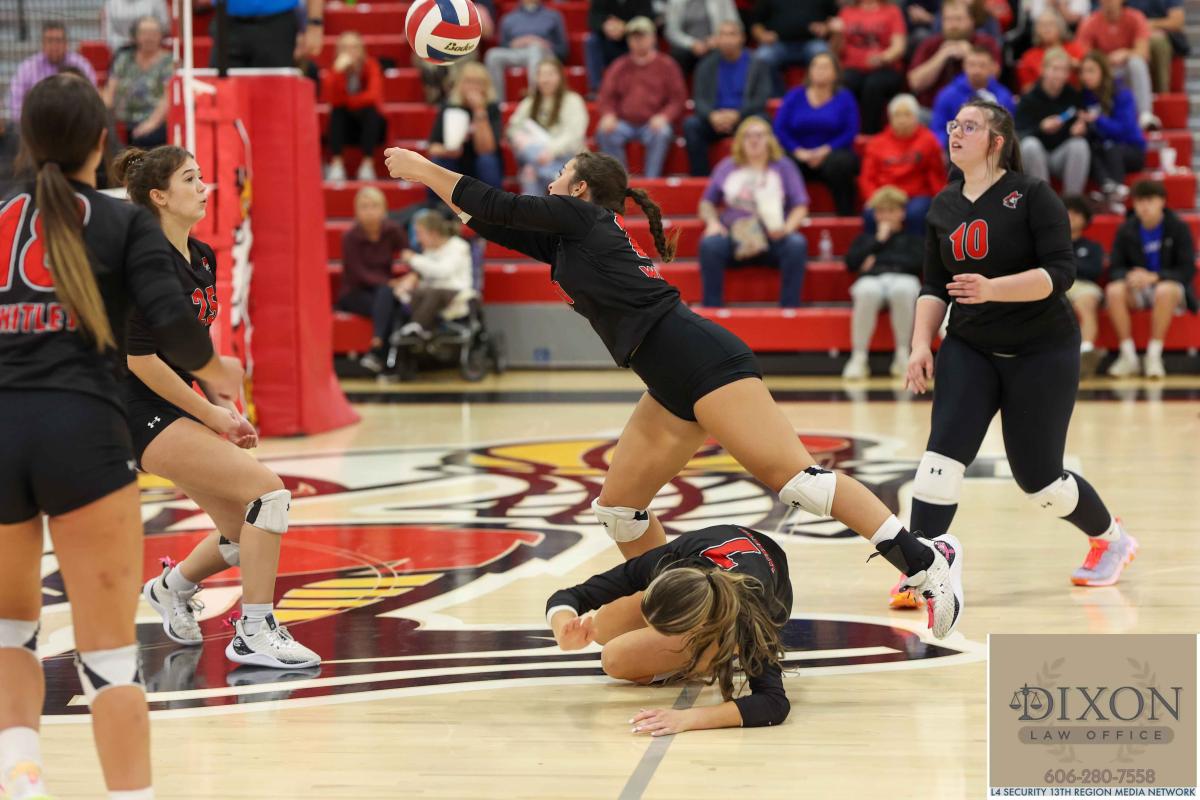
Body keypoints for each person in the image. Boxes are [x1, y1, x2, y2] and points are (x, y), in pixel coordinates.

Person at [385, 145, 964, 640]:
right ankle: (684, 615)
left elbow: (501, 205)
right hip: (665, 378)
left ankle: (925, 559)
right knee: (619, 512)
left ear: (579, 188)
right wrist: (435, 185)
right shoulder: (570, 239)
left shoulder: (581, 218)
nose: (551, 182)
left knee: (799, 482)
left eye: (560, 174)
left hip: (701, 359)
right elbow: (488, 220)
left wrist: (423, 167)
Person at [0, 74, 238, 800]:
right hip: (83, 437)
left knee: (9, 635)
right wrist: (217, 373)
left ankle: (21, 777)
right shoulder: (122, 222)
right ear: (102, 143)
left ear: (25, 140)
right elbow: (173, 326)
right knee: (106, 658)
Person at [895, 98, 1135, 611]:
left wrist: (992, 289)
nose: (956, 133)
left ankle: (1112, 539)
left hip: (1041, 349)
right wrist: (919, 345)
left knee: (1040, 480)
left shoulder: (1032, 195)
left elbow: (1061, 274)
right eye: (954, 125)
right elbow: (934, 286)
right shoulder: (943, 205)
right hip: (970, 346)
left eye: (970, 126)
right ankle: (923, 567)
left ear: (997, 141)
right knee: (940, 459)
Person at [111, 145, 321, 670]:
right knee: (268, 495)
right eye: (190, 179)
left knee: (242, 528)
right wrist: (210, 416)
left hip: (175, 401)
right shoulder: (140, 264)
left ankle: (171, 587)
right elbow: (140, 361)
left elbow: (191, 351)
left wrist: (223, 403)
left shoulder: (201, 256)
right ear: (159, 196)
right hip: (135, 407)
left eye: (201, 176)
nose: (204, 187)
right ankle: (254, 630)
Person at [547, 524, 792, 733]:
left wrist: (688, 718)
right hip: (721, 554)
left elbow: (773, 703)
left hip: (748, 601)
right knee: (603, 626)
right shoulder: (669, 559)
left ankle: (711, 657)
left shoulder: (752, 616)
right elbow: (574, 595)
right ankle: (689, 653)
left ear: (699, 626)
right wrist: (564, 628)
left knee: (615, 659)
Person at [697, 117, 809, 308]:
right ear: (740, 141)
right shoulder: (727, 166)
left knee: (796, 244)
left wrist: (786, 229)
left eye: (759, 135)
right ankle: (712, 310)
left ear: (769, 139)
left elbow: (800, 205)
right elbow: (706, 203)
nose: (754, 140)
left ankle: (790, 310)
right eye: (748, 136)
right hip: (735, 235)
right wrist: (713, 223)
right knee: (709, 245)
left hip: (772, 236)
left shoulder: (784, 166)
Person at [1104, 179, 1197, 378]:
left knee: (1165, 290)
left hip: (1169, 289)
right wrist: (1129, 275)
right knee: (1114, 290)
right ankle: (1128, 356)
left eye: (1150, 200)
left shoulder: (1178, 227)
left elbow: (1187, 270)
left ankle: (1154, 356)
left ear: (1162, 201)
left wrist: (1155, 277)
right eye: (1140, 201)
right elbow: (1114, 268)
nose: (1144, 206)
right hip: (1138, 288)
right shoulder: (1126, 229)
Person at [842, 186, 924, 380]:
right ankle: (858, 357)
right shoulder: (866, 239)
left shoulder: (913, 239)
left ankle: (903, 355)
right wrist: (878, 241)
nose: (886, 216)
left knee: (903, 290)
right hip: (872, 281)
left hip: (903, 279)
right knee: (867, 291)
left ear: (902, 213)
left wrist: (877, 260)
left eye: (891, 211)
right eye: (881, 211)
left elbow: (918, 263)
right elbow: (851, 263)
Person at [594, 17, 688, 180]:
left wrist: (664, 116)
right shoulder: (619, 66)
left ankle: (652, 181)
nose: (638, 41)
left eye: (642, 36)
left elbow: (677, 99)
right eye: (633, 37)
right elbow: (606, 96)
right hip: (624, 122)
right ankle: (620, 181)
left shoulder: (667, 65)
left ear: (653, 38)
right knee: (604, 131)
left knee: (662, 132)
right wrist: (609, 114)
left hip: (653, 122)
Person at [773, 52, 860, 217]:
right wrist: (798, 151)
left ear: (835, 73)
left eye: (825, 67)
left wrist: (825, 150)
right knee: (782, 162)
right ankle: (785, 217)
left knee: (841, 164)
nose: (820, 70)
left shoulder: (845, 97)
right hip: (799, 154)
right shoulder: (794, 95)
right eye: (816, 66)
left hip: (832, 154)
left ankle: (846, 216)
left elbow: (850, 131)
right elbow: (780, 129)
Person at [683, 19, 771, 177]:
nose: (727, 40)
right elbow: (699, 99)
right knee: (691, 125)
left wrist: (737, 115)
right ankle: (701, 178)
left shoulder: (757, 64)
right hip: (715, 121)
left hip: (744, 118)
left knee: (762, 121)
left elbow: (761, 98)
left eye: (732, 34)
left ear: (742, 38)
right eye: (723, 35)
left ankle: (758, 175)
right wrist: (712, 116)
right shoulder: (705, 65)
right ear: (717, 39)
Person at [332, 186, 407, 371]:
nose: (370, 211)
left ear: (384, 209)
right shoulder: (350, 237)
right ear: (356, 212)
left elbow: (409, 253)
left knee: (388, 297)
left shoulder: (392, 230)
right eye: (364, 207)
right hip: (355, 293)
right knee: (390, 301)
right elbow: (358, 273)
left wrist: (412, 275)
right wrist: (389, 283)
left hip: (382, 292)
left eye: (374, 206)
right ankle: (382, 352)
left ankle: (378, 353)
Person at [859, 93, 947, 236]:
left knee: (915, 214)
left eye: (907, 115)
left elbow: (936, 175)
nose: (902, 120)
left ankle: (915, 250)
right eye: (897, 115)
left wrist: (941, 201)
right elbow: (867, 178)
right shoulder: (876, 144)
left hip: (916, 196)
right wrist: (874, 198)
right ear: (890, 118)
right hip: (885, 196)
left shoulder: (929, 141)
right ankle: (874, 249)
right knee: (870, 214)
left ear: (916, 117)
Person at [506, 59, 589, 197]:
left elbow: (574, 136)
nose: (545, 80)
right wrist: (522, 141)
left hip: (568, 158)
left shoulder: (573, 100)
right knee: (528, 164)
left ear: (560, 77)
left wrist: (551, 151)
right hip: (537, 156)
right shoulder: (530, 102)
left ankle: (554, 175)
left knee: (530, 170)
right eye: (542, 75)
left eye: (550, 74)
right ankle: (553, 177)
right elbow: (513, 128)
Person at [1015, 48, 1090, 197]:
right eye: (1055, 69)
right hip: (1035, 158)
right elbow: (1019, 135)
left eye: (1064, 70)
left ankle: (1072, 201)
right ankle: (1044, 201)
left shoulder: (1073, 96)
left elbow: (1084, 123)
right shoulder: (1029, 98)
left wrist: (1081, 129)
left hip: (1061, 157)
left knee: (1080, 144)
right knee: (1030, 145)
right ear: (1043, 70)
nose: (1059, 75)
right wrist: (1041, 128)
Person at [1078, 50, 1146, 215]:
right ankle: (1110, 188)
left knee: (1110, 147)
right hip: (1104, 149)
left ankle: (1113, 194)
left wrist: (1098, 120)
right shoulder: (1085, 96)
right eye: (1083, 71)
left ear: (1103, 71)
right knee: (1086, 149)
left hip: (1131, 149)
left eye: (1091, 71)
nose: (1086, 76)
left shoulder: (1122, 93)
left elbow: (1125, 129)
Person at [1075, 0, 1159, 130]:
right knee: (1090, 68)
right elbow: (1083, 55)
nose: (1109, 2)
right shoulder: (1090, 22)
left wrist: (1126, 53)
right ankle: (1098, 111)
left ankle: (1145, 114)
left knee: (1137, 62)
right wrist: (1104, 61)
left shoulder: (1136, 17)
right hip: (1103, 71)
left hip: (1127, 71)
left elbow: (1143, 52)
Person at [394, 211, 475, 339]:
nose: (418, 239)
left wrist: (414, 259)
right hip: (432, 293)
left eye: (420, 234)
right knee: (416, 292)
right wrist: (406, 285)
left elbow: (442, 272)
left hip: (456, 292)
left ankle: (416, 326)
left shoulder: (458, 246)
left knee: (433, 292)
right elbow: (425, 274)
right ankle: (425, 331)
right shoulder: (428, 251)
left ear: (433, 233)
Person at [831, 0, 907, 135]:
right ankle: (845, 131)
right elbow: (836, 50)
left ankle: (869, 134)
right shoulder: (847, 12)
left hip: (885, 68)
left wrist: (882, 58)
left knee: (873, 85)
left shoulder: (892, 11)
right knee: (846, 82)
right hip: (853, 67)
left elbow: (899, 47)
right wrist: (837, 34)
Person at [906, 0, 1000, 109]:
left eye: (958, 19)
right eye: (948, 19)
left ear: (971, 20)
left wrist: (970, 55)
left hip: (978, 109)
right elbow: (915, 83)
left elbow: (995, 75)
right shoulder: (930, 44)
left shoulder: (986, 43)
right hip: (931, 110)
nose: (953, 25)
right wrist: (941, 56)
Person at [428, 62, 505, 193]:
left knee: (486, 161)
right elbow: (433, 147)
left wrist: (479, 110)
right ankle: (438, 204)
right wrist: (447, 151)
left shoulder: (491, 108)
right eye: (469, 82)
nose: (473, 87)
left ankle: (491, 201)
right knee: (439, 161)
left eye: (478, 83)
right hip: (455, 162)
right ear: (460, 85)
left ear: (486, 87)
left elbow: (486, 149)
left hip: (480, 164)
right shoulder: (449, 108)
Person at [323, 31, 387, 182]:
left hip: (370, 126)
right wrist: (337, 72)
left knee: (370, 112)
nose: (350, 52)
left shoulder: (371, 65)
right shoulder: (335, 69)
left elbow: (373, 96)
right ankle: (337, 165)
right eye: (345, 48)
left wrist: (348, 100)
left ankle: (367, 165)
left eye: (354, 47)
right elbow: (330, 99)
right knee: (337, 112)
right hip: (346, 126)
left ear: (362, 50)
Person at [100, 16, 173, 148]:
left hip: (154, 124)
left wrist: (151, 124)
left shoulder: (169, 61)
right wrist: (104, 117)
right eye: (144, 33)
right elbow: (110, 91)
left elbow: (168, 98)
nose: (149, 37)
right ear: (135, 36)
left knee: (145, 140)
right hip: (121, 121)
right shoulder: (123, 58)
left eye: (154, 33)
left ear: (161, 36)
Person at [7, 22, 98, 124]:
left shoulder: (81, 65)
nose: (54, 46)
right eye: (49, 41)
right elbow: (15, 103)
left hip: (73, 125)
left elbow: (93, 98)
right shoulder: (28, 67)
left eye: (58, 40)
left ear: (66, 43)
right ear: (43, 44)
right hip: (36, 125)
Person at [931, 45, 1015, 149]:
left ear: (992, 67)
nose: (977, 70)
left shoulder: (1003, 97)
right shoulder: (947, 95)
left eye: (982, 65)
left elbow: (1008, 131)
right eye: (972, 65)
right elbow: (937, 130)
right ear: (964, 66)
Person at [484, 0, 568, 103]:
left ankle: (535, 99)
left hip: (544, 54)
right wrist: (513, 44)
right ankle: (497, 103)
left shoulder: (553, 16)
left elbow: (562, 50)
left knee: (534, 50)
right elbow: (503, 46)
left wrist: (543, 44)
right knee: (492, 55)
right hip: (518, 53)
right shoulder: (509, 18)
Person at [1061, 195, 1108, 377]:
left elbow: (1094, 270)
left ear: (1085, 218)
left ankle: (1086, 351)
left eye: (1076, 213)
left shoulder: (1093, 247)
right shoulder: (1050, 243)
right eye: (1067, 211)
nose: (1071, 216)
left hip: (1084, 285)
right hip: (1057, 283)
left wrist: (1066, 264)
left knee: (1086, 300)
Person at [750, 0, 838, 97]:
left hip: (811, 42)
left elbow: (836, 18)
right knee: (763, 56)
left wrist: (825, 27)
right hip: (778, 44)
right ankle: (776, 97)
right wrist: (763, 35)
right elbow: (756, 23)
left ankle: (813, 97)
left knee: (823, 54)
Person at [212, 0, 324, 69]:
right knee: (224, 93)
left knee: (274, 94)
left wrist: (314, 25)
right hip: (226, 20)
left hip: (277, 21)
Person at [585, 0, 655, 92]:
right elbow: (593, 19)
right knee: (592, 41)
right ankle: (596, 88)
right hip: (607, 39)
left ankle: (648, 85)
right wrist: (605, 26)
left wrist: (625, 26)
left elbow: (647, 18)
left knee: (645, 39)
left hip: (632, 36)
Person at [1015, 8, 1087, 94]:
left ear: (1060, 27)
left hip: (1074, 96)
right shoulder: (1028, 57)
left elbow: (1089, 72)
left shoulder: (1075, 49)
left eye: (1050, 24)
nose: (1046, 28)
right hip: (1043, 99)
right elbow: (1027, 90)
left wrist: (1073, 65)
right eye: (1042, 25)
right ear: (1036, 30)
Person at [1121, 0, 1186, 93]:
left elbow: (1177, 22)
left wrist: (1152, 25)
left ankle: (1161, 93)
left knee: (1157, 43)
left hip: (1159, 36)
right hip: (1129, 35)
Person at [664, 0, 738, 75]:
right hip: (686, 45)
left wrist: (717, 39)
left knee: (724, 50)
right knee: (677, 55)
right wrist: (691, 44)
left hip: (714, 42)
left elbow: (734, 23)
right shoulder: (675, 2)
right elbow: (671, 32)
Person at [102, 0, 170, 55]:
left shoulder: (157, 1)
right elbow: (109, 32)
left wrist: (145, 40)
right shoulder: (111, 2)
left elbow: (164, 27)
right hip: (119, 48)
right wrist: (121, 46)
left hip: (150, 48)